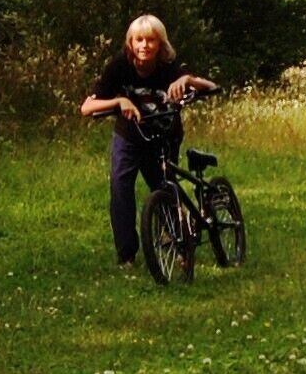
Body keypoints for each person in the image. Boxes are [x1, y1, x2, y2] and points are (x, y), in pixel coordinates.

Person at [81, 15, 219, 266]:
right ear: (130, 43)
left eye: (151, 40)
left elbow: (210, 86)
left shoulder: (168, 67)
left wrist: (187, 80)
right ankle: (127, 255)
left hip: (164, 136)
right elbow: (87, 107)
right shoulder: (118, 67)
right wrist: (119, 101)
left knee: (165, 187)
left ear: (160, 44)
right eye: (139, 40)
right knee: (120, 189)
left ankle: (178, 243)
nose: (144, 45)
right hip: (130, 137)